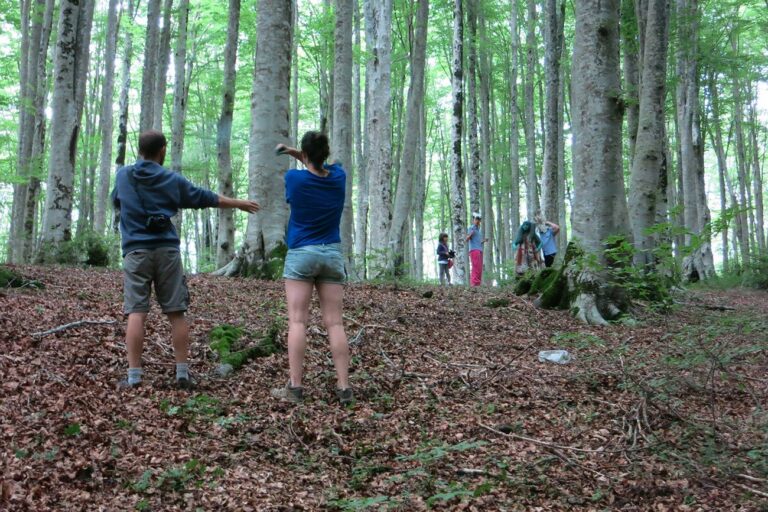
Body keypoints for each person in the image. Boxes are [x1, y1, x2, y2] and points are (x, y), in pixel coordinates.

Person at [111, 130, 260, 389]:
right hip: (167, 251)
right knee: (176, 313)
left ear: (140, 150)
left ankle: (134, 377)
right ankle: (182, 374)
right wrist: (237, 203)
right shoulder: (171, 179)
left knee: (136, 312)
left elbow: (116, 201)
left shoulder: (123, 175)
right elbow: (206, 198)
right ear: (163, 150)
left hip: (135, 252)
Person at [270, 131, 353, 406]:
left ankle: (295, 388)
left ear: (303, 155)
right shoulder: (339, 177)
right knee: (335, 323)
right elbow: (322, 165)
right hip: (331, 252)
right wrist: (297, 151)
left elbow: (308, 165)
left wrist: (290, 152)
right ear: (326, 154)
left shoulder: (294, 179)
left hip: (302, 253)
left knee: (297, 321)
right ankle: (344, 387)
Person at [466, 213, 488, 287]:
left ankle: (478, 283)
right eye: (476, 219)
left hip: (479, 249)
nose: (477, 221)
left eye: (479, 219)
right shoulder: (471, 228)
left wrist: (484, 241)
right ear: (473, 220)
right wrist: (470, 235)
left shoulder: (478, 230)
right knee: (475, 266)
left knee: (479, 267)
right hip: (474, 249)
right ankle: (474, 283)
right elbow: (467, 239)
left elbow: (478, 242)